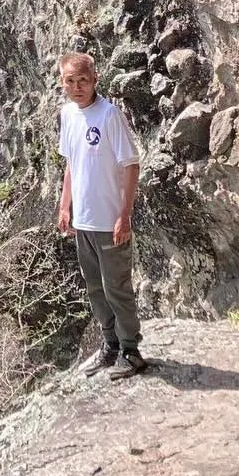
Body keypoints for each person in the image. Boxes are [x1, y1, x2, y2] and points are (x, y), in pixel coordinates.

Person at [56, 50, 147, 379]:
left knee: (117, 288)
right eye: (70, 81)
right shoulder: (68, 115)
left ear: (95, 80)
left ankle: (131, 351)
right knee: (95, 287)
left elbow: (131, 165)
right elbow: (70, 164)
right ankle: (109, 346)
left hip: (110, 221)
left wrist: (125, 214)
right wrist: (65, 206)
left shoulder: (109, 115)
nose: (77, 87)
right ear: (62, 83)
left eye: (83, 80)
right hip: (84, 221)